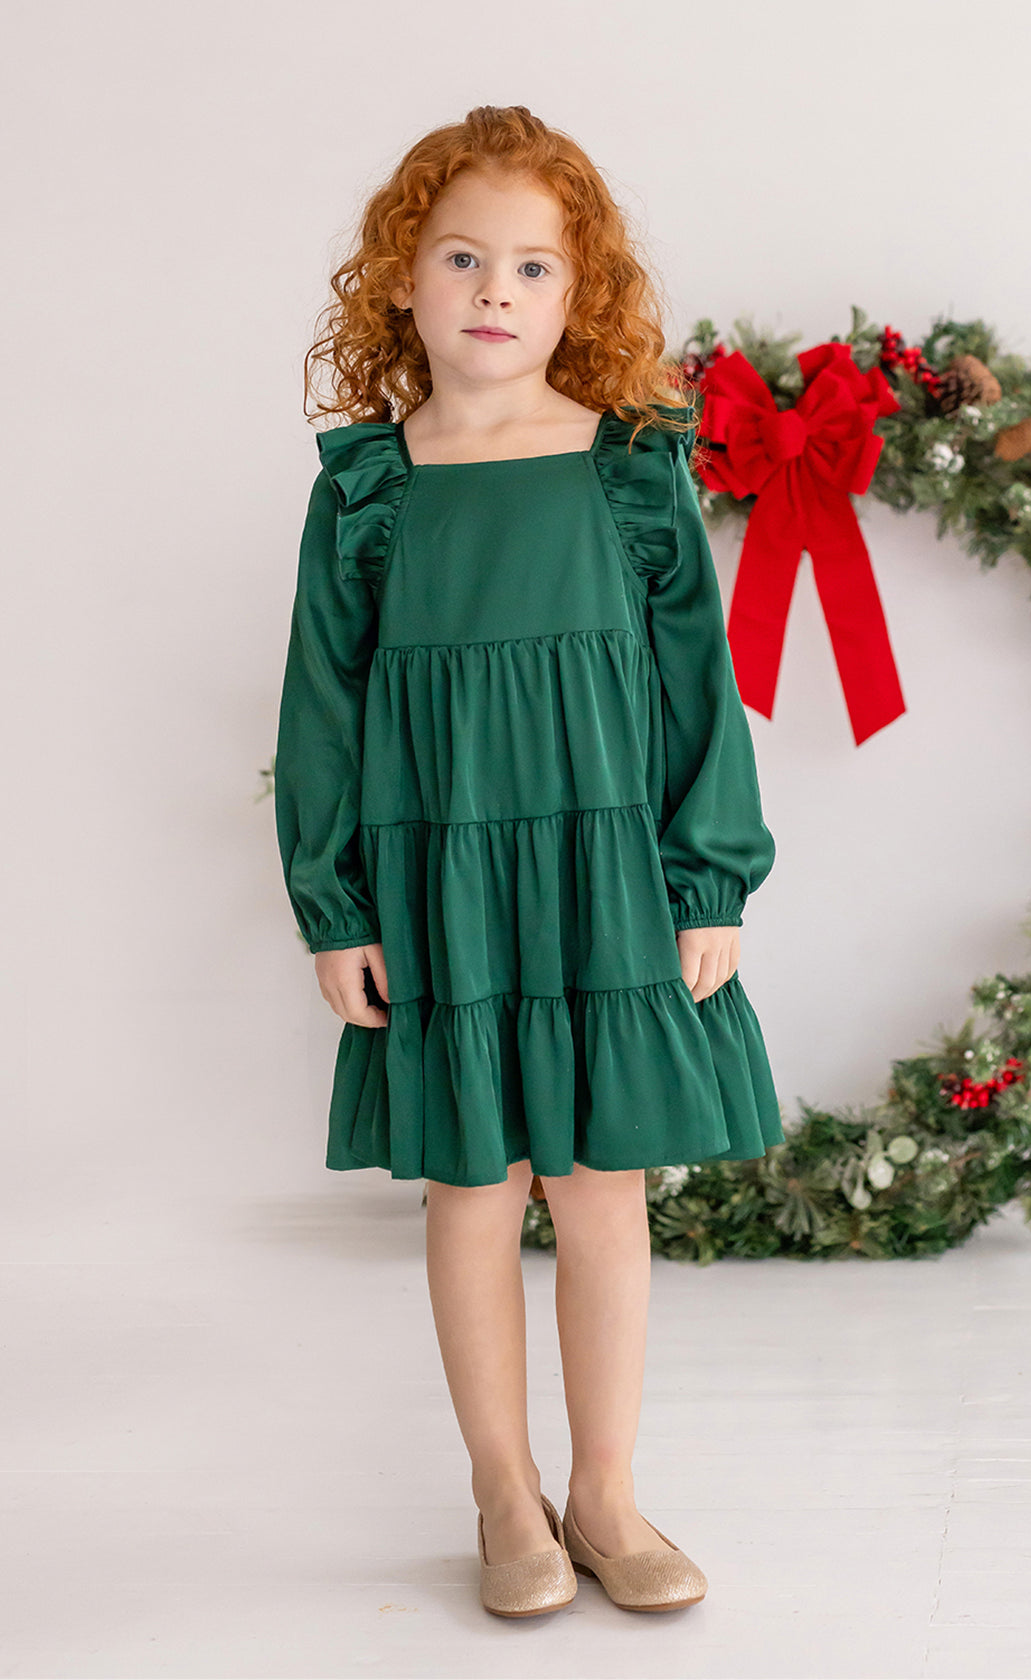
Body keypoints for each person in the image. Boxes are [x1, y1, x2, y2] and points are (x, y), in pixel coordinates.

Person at [273, 104, 784, 1618]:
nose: (495, 290)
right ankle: (506, 1494)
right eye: (462, 257)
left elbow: (698, 687)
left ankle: (604, 1494)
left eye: (534, 267)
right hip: (442, 884)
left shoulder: (628, 472)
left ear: (579, 295)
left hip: (600, 871)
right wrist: (334, 905)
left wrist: (706, 877)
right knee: (472, 1186)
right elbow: (320, 706)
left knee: (602, 1181)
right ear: (403, 279)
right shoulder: (371, 488)